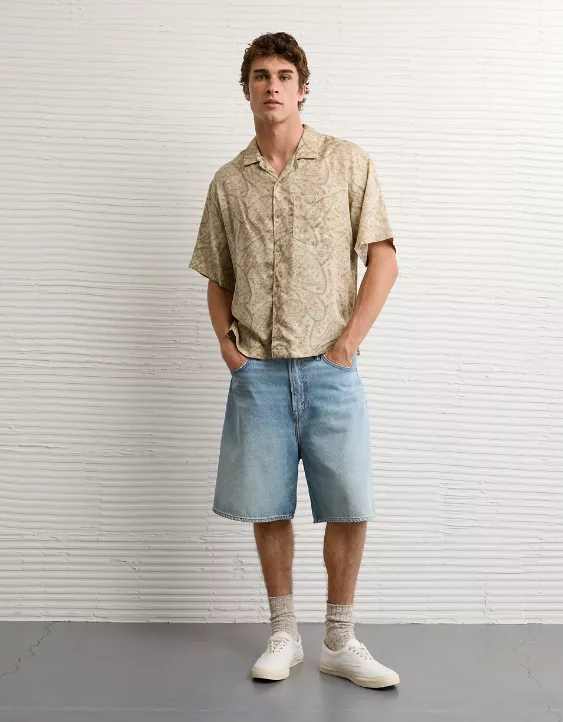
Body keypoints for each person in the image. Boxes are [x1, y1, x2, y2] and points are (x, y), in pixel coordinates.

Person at [189, 31, 400, 689]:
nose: (272, 86)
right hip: (258, 371)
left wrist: (347, 343)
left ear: (302, 88)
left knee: (348, 503)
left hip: (331, 368)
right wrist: (228, 347)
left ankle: (339, 639)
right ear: (246, 89)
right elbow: (217, 274)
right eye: (261, 75)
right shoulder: (229, 182)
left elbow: (383, 260)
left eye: (284, 75)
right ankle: (284, 633)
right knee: (267, 503)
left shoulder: (346, 162)